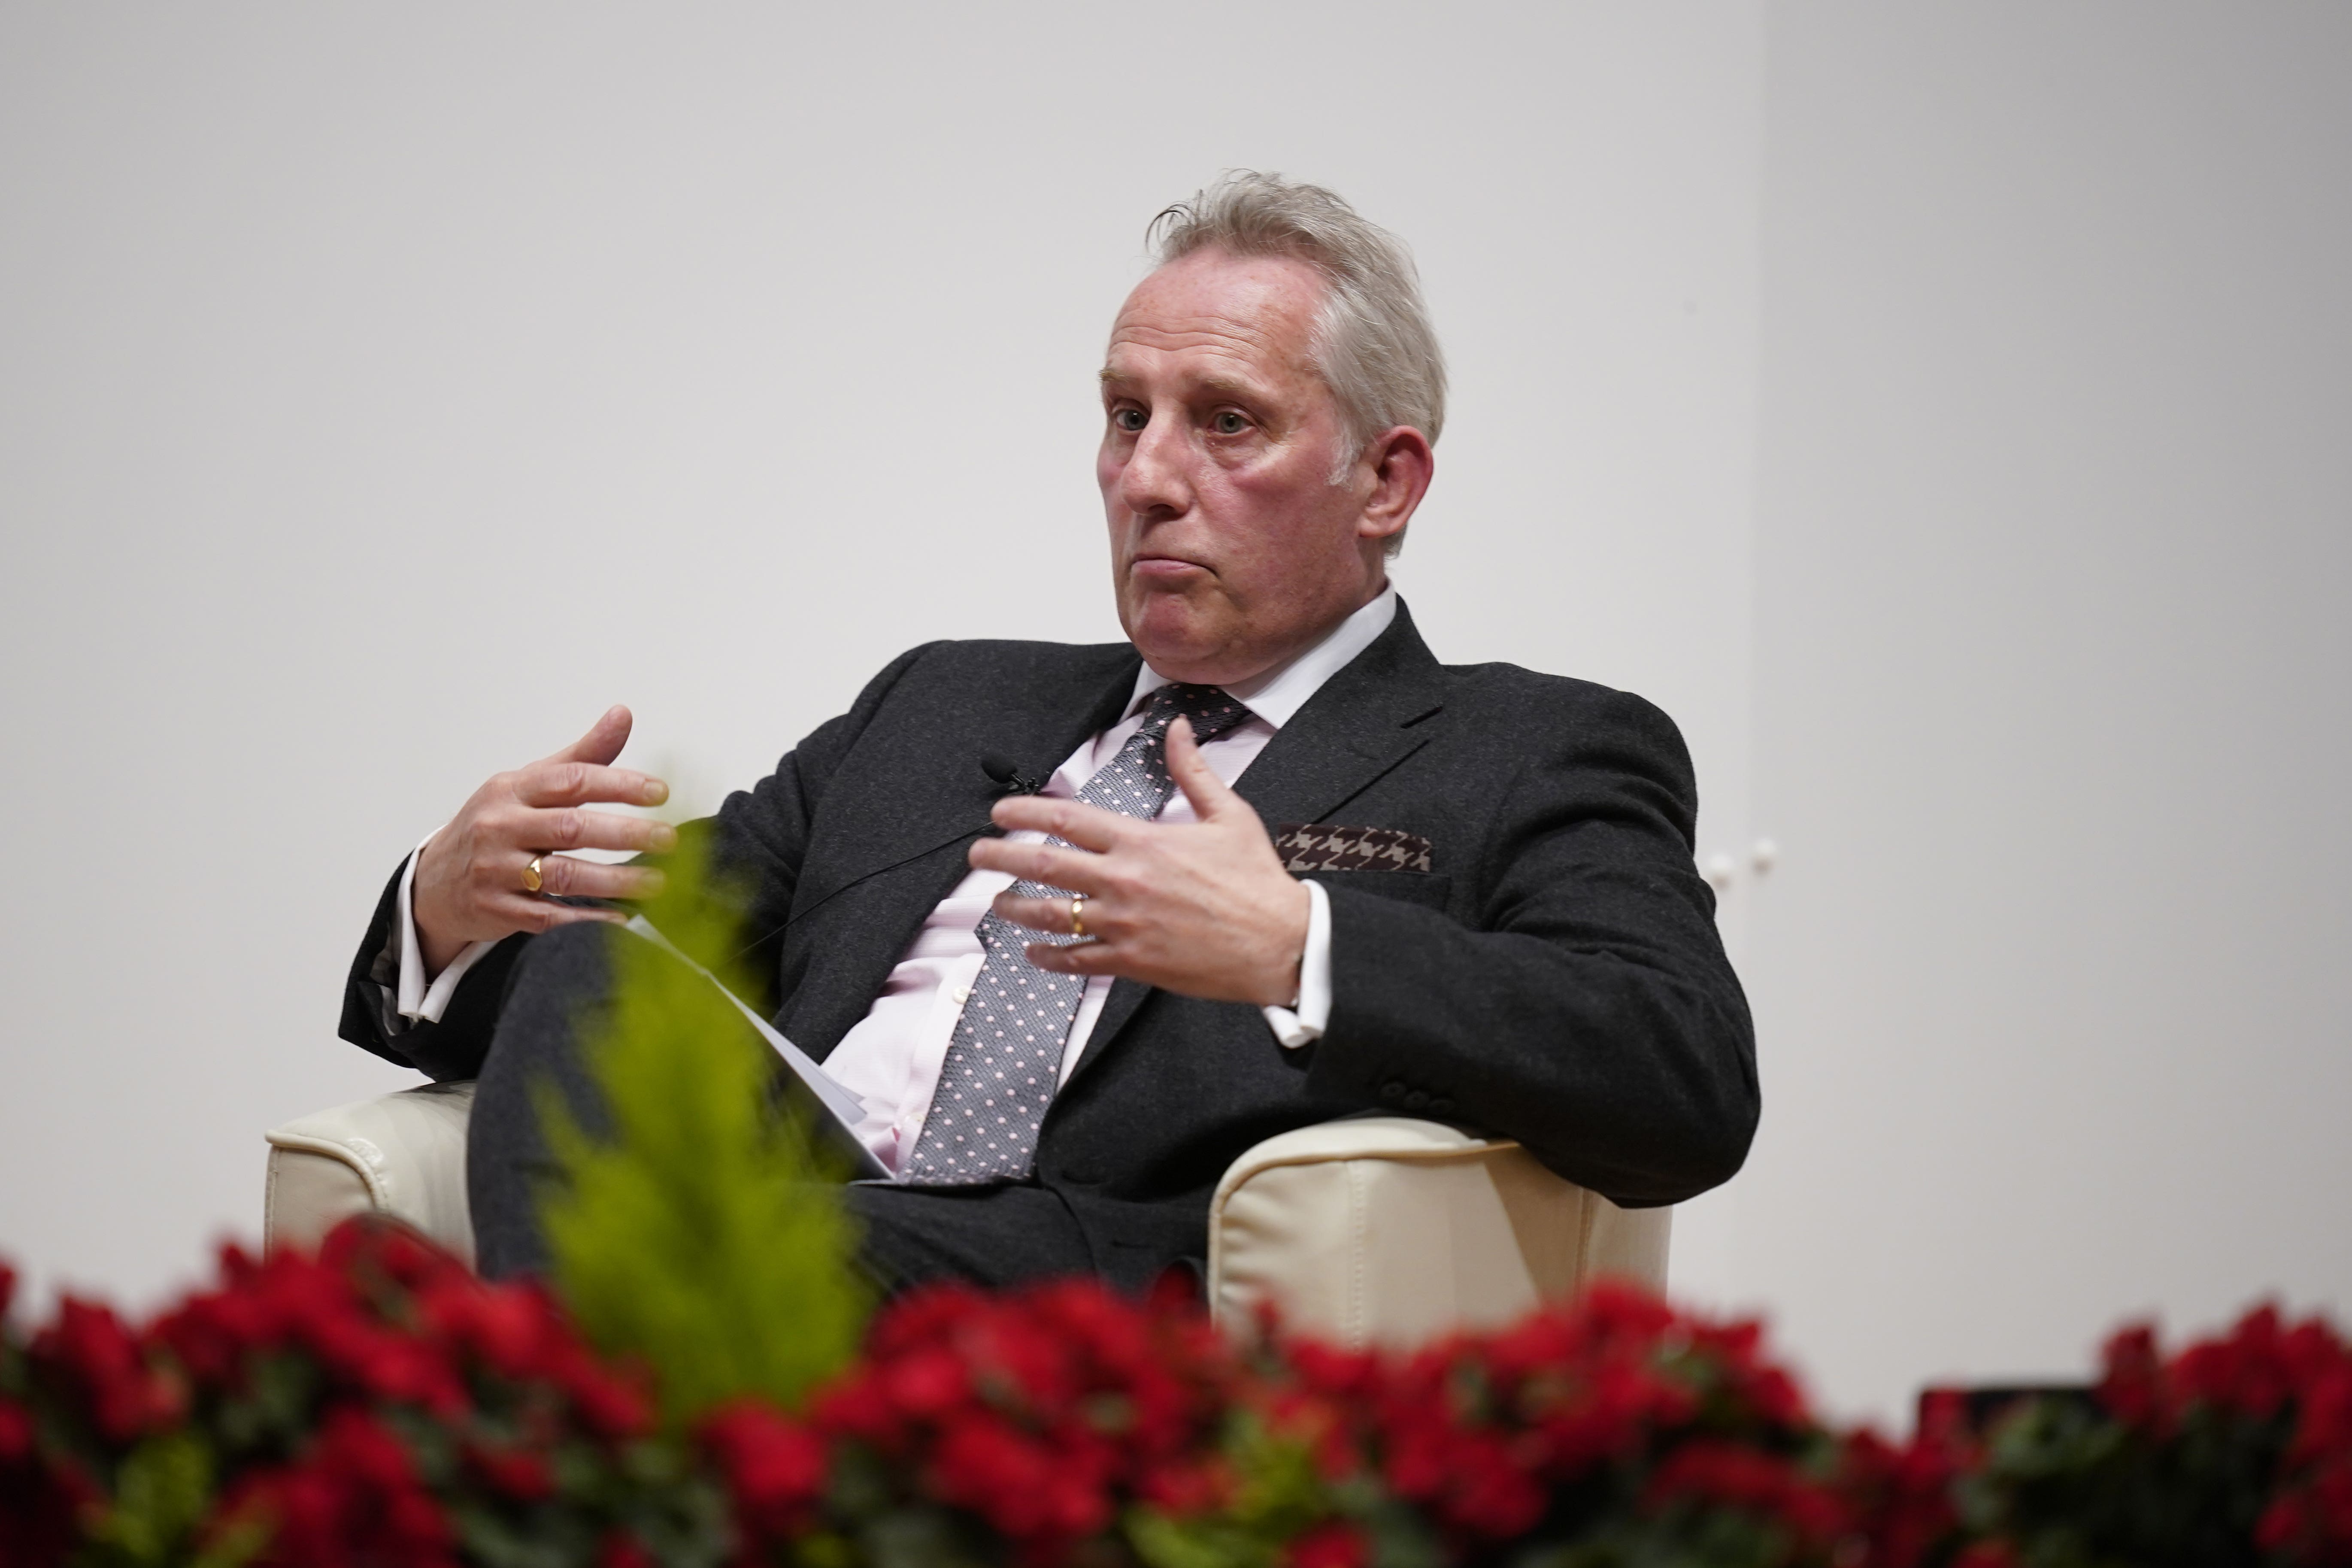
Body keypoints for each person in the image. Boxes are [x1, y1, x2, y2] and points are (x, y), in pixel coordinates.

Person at [338, 172, 1758, 1292]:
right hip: (818, 1197)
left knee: (689, 1273)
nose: (1146, 477)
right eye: (1124, 416)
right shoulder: (946, 701)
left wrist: (1299, 944)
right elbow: (646, 968)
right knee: (598, 967)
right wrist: (456, 909)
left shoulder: (1532, 748)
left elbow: (1683, 1076)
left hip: (1097, 1265)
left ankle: (538, 1432)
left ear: (1386, 479)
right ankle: (582, 1418)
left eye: (1227, 424)